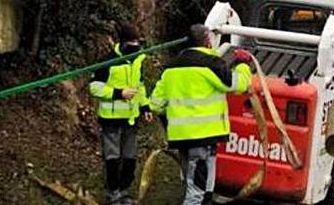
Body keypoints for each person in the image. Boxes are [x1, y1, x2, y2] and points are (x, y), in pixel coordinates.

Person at [149, 24, 253, 205]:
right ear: (207, 42)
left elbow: (156, 104)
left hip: (181, 138)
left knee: (200, 186)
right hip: (204, 136)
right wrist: (243, 65)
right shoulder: (211, 64)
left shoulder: (170, 68)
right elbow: (239, 84)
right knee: (197, 191)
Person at [89, 24, 153, 205]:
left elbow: (139, 86)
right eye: (131, 43)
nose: (135, 47)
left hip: (131, 119)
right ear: (122, 42)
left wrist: (145, 108)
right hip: (111, 119)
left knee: (130, 159)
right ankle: (112, 193)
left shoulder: (138, 59)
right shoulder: (107, 61)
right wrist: (119, 93)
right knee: (112, 159)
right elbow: (94, 87)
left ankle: (124, 192)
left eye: (137, 43)